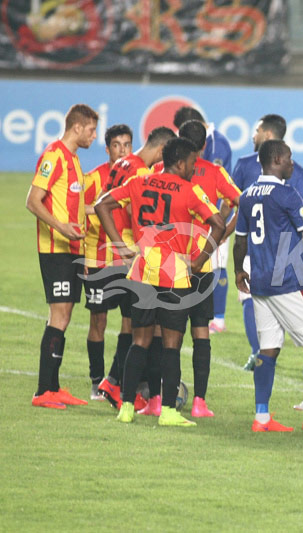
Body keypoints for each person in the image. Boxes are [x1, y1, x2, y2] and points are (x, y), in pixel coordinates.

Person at [95, 137, 225, 427]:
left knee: (139, 340)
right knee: (171, 344)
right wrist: (199, 258)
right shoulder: (190, 190)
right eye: (192, 163)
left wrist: (119, 244)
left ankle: (126, 407)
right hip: (174, 272)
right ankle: (168, 411)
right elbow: (219, 223)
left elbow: (102, 204)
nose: (194, 168)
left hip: (142, 268)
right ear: (180, 162)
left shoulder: (141, 182)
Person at [233, 139, 303, 434]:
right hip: (286, 280)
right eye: (288, 158)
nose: (292, 163)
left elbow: (241, 240)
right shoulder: (287, 194)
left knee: (268, 349)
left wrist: (238, 271)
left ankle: (261, 418)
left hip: (258, 281)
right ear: (276, 159)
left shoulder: (246, 195)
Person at [141, 120, 240, 419]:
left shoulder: (162, 172)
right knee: (201, 334)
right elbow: (242, 203)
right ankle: (199, 402)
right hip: (202, 264)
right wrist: (220, 236)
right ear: (205, 146)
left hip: (166, 264)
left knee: (160, 333)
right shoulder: (215, 173)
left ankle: (156, 399)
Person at [94, 127, 177, 410]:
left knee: (130, 324)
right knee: (145, 328)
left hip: (113, 255)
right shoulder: (142, 174)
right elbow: (138, 215)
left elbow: (101, 202)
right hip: (131, 257)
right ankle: (117, 383)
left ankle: (119, 384)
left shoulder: (122, 163)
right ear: (162, 149)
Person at [26, 103, 98, 409]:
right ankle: (44, 391)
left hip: (72, 250)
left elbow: (75, 208)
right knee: (59, 316)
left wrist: (109, 208)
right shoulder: (54, 155)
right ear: (77, 127)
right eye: (92, 130)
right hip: (55, 250)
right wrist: (60, 228)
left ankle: (53, 387)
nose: (94, 136)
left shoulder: (74, 160)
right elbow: (32, 201)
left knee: (65, 316)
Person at [232, 114, 303, 369]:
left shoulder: (288, 169)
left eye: (256, 130)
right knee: (255, 299)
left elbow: (300, 210)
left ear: (266, 133)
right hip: (269, 246)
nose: (253, 135)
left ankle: (262, 352)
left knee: (255, 297)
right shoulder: (249, 165)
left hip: (268, 248)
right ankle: (261, 352)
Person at [81, 123, 133, 400]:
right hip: (99, 259)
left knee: (131, 322)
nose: (122, 150)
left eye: (127, 145)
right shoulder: (94, 178)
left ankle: (116, 379)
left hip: (128, 261)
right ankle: (96, 379)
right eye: (117, 145)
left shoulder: (138, 177)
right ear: (107, 149)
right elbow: (77, 210)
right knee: (98, 321)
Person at [173, 106, 233, 334]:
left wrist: (218, 220)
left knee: (216, 263)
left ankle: (218, 318)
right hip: (195, 216)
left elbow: (215, 183)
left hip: (212, 217)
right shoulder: (208, 142)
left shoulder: (217, 144)